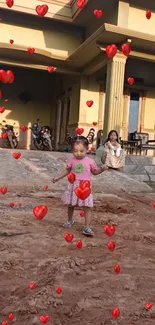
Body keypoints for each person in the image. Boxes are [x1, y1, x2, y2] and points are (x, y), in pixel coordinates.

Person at [52, 136, 108, 236]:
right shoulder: (71, 160)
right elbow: (67, 170)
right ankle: (70, 220)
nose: (78, 153)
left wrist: (102, 169)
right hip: (73, 185)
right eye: (75, 151)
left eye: (81, 151)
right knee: (71, 205)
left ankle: (87, 227)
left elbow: (95, 172)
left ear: (87, 149)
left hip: (85, 187)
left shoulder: (90, 161)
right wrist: (57, 178)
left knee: (87, 206)